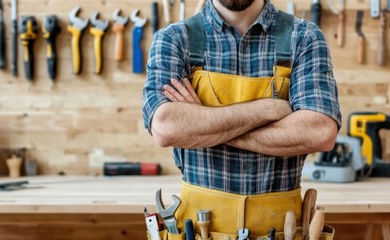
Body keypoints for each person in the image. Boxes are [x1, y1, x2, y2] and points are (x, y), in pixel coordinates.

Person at [142, 0, 341, 238]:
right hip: (197, 230)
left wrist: (204, 122)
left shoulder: (304, 38)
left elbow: (320, 132)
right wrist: (267, 109)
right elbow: (166, 128)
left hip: (281, 230)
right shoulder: (174, 39)